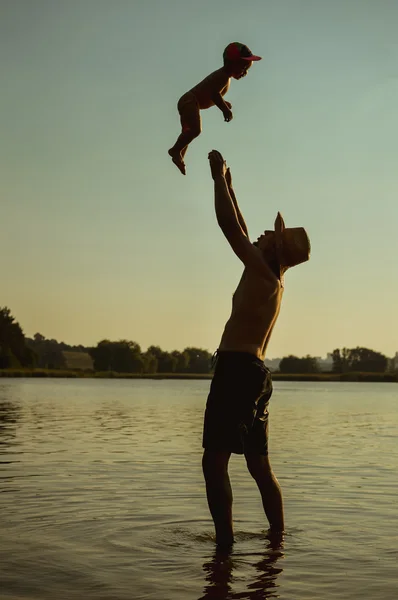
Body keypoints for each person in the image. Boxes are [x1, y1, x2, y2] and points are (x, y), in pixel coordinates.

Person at [203, 150, 311, 548]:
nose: (262, 235)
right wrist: (230, 184)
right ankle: (277, 542)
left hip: (237, 372)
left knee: (214, 461)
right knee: (257, 465)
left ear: (275, 251)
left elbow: (230, 228)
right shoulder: (270, 276)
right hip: (256, 375)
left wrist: (216, 179)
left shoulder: (263, 273)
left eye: (271, 236)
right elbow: (243, 227)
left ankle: (224, 547)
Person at [168, 43, 261, 175]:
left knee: (188, 133)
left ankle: (179, 156)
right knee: (195, 130)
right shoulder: (222, 76)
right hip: (190, 101)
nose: (245, 72)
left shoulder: (225, 78)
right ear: (232, 63)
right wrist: (224, 109)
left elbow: (213, 94)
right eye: (243, 67)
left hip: (189, 102)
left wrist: (224, 103)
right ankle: (175, 151)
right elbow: (214, 94)